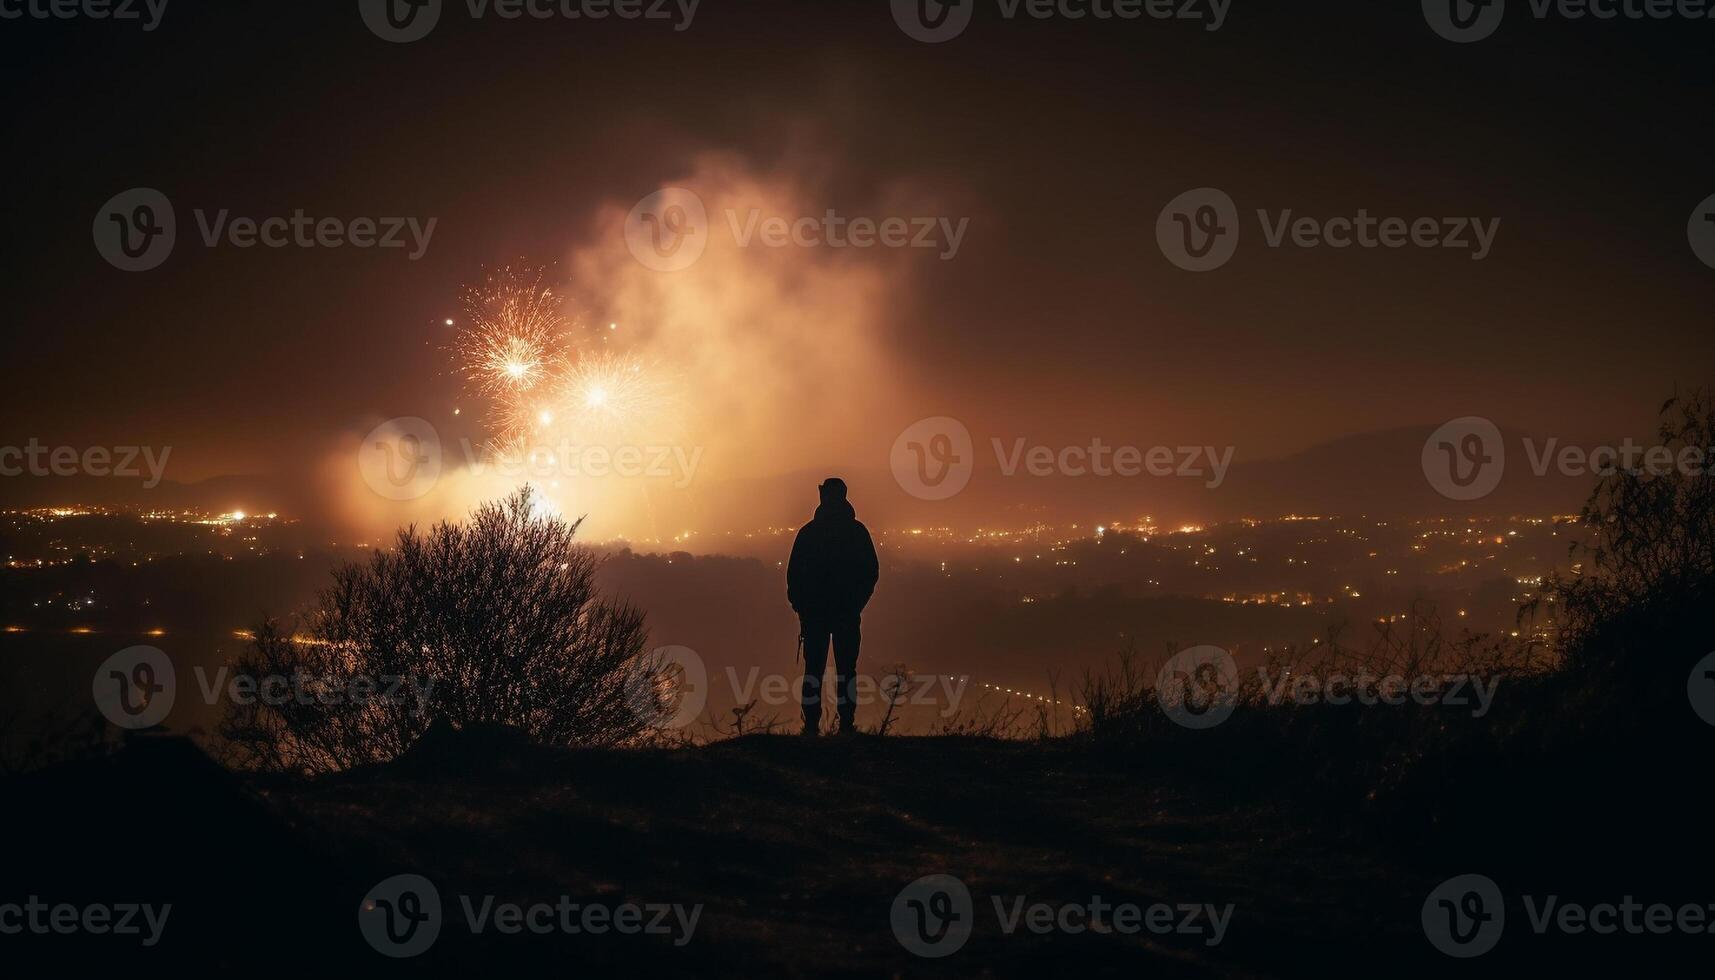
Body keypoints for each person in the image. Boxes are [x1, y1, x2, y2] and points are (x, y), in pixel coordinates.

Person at [786, 478, 879, 736]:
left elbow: (793, 578)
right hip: (845, 614)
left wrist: (802, 608)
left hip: (817, 615)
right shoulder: (857, 532)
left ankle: (812, 726)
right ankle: (846, 724)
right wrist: (855, 603)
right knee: (846, 671)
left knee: (814, 670)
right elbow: (870, 572)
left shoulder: (808, 533)